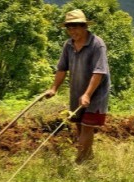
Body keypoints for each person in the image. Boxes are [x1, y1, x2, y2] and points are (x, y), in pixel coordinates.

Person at [44, 9, 111, 164]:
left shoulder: (97, 44)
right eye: (69, 28)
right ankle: (88, 157)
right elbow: (62, 68)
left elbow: (99, 72)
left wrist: (87, 94)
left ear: (84, 27)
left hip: (96, 92)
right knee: (80, 125)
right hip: (77, 90)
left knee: (87, 126)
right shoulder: (68, 45)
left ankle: (80, 162)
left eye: (75, 27)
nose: (72, 31)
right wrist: (54, 88)